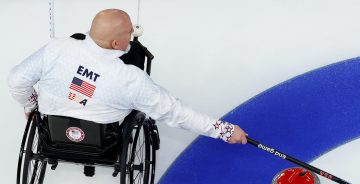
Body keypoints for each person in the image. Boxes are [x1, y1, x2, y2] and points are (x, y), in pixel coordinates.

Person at [7, 8, 248, 148]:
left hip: (54, 132)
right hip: (103, 142)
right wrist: (224, 130)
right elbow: (175, 112)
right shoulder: (131, 79)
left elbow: (17, 79)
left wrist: (30, 105)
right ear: (116, 43)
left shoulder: (56, 48)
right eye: (129, 32)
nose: (132, 34)